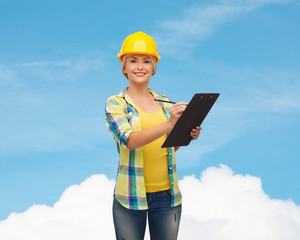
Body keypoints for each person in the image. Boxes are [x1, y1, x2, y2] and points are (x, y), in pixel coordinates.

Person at [105, 31, 201, 240]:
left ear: (153, 67)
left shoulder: (164, 102)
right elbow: (129, 141)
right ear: (124, 67)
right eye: (133, 61)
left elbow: (169, 147)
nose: (140, 66)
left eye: (146, 61)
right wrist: (169, 124)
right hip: (130, 197)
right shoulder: (116, 103)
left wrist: (186, 136)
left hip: (167, 196)